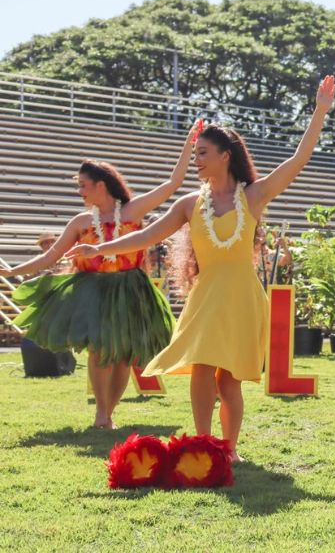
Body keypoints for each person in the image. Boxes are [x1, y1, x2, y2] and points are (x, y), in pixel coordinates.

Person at [68, 75, 335, 461]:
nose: (197, 160)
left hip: (243, 296)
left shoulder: (254, 196)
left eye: (203, 153)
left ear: (225, 155)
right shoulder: (190, 204)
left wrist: (320, 110)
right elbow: (145, 238)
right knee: (202, 371)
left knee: (229, 381)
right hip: (207, 295)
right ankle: (203, 444)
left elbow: (298, 160)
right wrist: (101, 246)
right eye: (195, 154)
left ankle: (229, 450)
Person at [1, 125, 196, 428]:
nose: (79, 191)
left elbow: (173, 183)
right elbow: (51, 256)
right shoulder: (81, 222)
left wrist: (188, 144)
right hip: (93, 290)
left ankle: (110, 412)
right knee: (99, 350)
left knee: (122, 356)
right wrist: (14, 271)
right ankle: (101, 415)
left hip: (130, 289)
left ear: (100, 185)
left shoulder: (132, 211)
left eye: (83, 185)